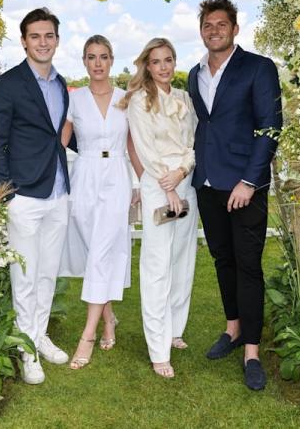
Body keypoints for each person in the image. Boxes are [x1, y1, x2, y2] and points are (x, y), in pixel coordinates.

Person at [186, 0, 282, 390]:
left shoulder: (258, 68)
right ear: (202, 30)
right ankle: (233, 329)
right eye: (208, 25)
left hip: (244, 185)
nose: (214, 30)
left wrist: (249, 181)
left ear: (235, 29)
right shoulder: (194, 74)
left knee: (247, 265)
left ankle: (253, 352)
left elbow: (269, 127)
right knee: (223, 259)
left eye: (221, 24)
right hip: (208, 184)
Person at [0, 7, 72, 385]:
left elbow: (57, 136)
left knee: (48, 271)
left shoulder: (61, 83)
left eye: (49, 35)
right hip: (25, 195)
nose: (42, 42)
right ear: (24, 41)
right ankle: (26, 347)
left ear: (56, 39)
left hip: (58, 191)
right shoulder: (7, 84)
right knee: (26, 274)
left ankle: (39, 334)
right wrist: (8, 192)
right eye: (35, 36)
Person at [117, 37, 198, 379]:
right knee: (157, 264)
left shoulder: (183, 98)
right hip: (157, 186)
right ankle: (157, 348)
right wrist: (169, 187)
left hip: (185, 182)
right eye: (156, 61)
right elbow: (146, 150)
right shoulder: (138, 100)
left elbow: (194, 143)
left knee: (183, 259)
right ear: (146, 66)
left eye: (168, 60)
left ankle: (175, 328)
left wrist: (183, 173)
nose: (163, 67)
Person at [57, 35, 136, 370]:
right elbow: (59, 145)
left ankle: (87, 335)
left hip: (118, 174)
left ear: (112, 59)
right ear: (85, 62)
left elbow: (134, 144)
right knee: (94, 251)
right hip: (85, 175)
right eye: (92, 57)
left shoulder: (126, 99)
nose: (98, 63)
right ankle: (109, 318)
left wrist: (140, 183)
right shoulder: (74, 101)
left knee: (104, 249)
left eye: (104, 56)